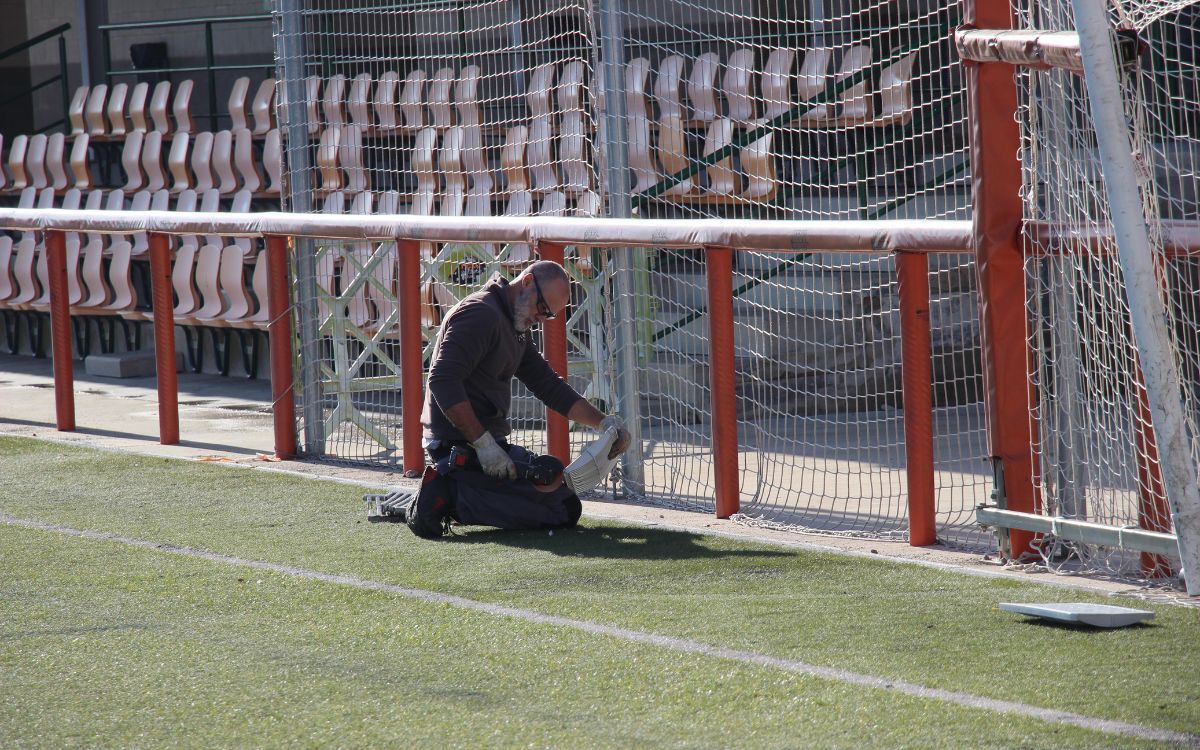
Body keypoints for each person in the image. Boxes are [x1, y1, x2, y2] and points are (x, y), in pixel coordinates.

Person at [371, 260, 630, 538]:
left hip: (485, 445)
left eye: (549, 316)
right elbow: (442, 380)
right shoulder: (481, 314)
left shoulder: (511, 322)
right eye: (542, 309)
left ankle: (455, 492)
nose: (541, 319)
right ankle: (446, 495)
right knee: (561, 510)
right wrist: (482, 443)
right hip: (457, 447)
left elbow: (548, 385)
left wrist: (604, 424)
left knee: (555, 482)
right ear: (528, 282)